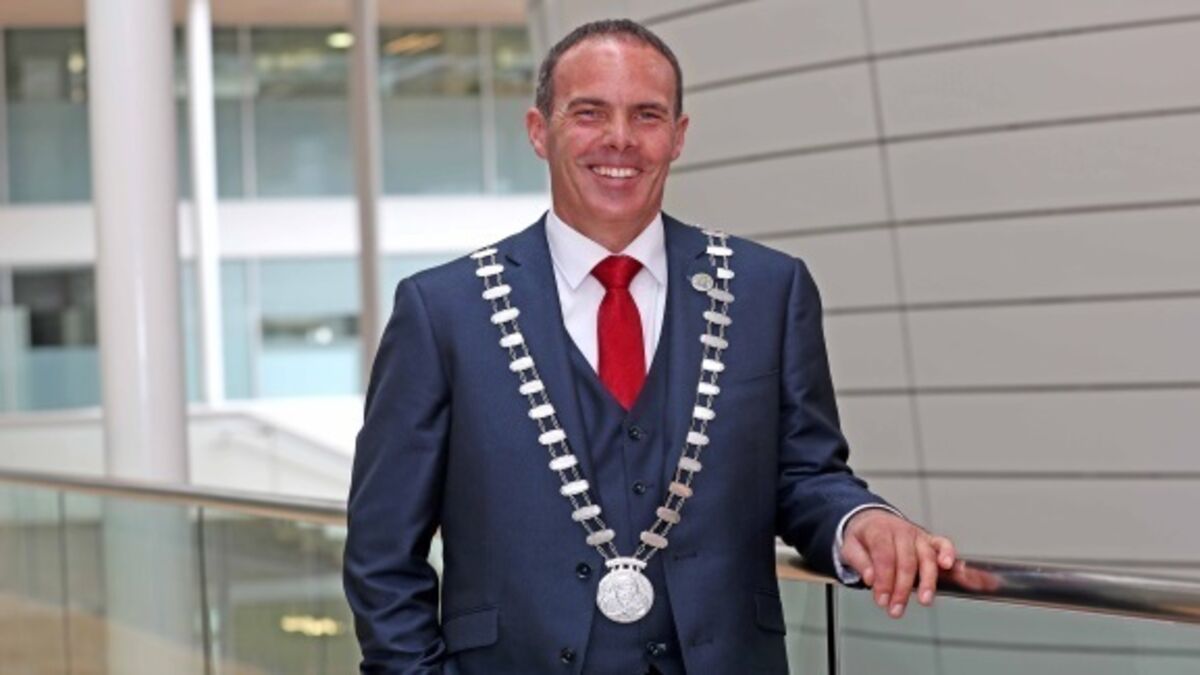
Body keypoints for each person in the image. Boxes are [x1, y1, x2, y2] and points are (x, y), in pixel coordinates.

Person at [344, 18, 957, 675]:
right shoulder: (442, 311)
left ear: (678, 135)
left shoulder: (768, 291)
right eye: (589, 113)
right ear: (538, 131)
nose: (620, 139)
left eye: (647, 115)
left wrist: (858, 520)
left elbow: (805, 473)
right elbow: (382, 554)